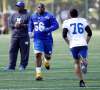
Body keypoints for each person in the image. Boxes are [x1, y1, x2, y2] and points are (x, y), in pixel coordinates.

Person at [28, 3, 59, 80]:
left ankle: (46, 61)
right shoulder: (33, 16)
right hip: (37, 39)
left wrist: (48, 29)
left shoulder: (49, 15)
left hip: (47, 39)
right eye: (39, 7)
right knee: (38, 55)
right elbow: (30, 25)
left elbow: (56, 25)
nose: (40, 9)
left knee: (48, 55)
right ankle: (38, 74)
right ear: (36, 8)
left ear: (44, 8)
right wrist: (30, 32)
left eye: (42, 7)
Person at [62, 9, 92, 87]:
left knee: (76, 63)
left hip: (73, 44)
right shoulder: (82, 20)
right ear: (77, 14)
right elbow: (90, 32)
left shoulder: (67, 22)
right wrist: (86, 42)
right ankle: (83, 61)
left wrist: (69, 43)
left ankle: (81, 82)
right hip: (82, 43)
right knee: (83, 57)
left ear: (70, 14)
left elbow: (64, 35)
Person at [5, 1, 30, 71]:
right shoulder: (13, 15)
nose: (17, 7)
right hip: (14, 36)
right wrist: (14, 25)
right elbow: (10, 24)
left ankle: (22, 66)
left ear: (23, 7)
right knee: (12, 51)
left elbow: (31, 25)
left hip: (24, 37)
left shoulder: (27, 15)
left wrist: (22, 25)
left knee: (24, 52)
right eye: (17, 6)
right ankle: (11, 66)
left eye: (19, 6)